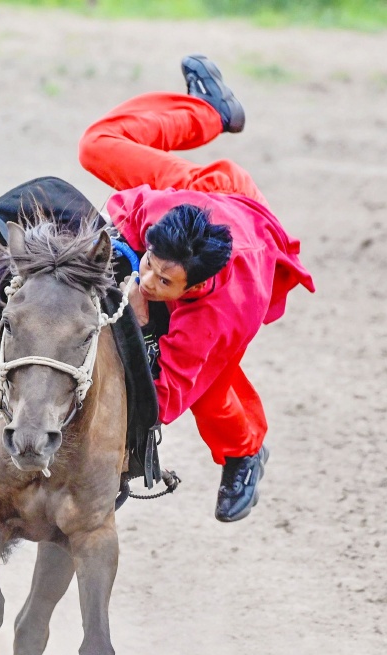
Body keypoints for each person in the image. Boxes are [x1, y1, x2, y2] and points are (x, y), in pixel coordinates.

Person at [78, 56, 315, 522]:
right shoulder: (161, 209)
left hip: (252, 251)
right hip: (207, 194)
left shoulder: (221, 311)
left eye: (163, 282)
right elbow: (123, 209)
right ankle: (210, 111)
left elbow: (163, 399)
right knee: (95, 146)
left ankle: (244, 451)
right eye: (149, 266)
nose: (147, 283)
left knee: (209, 380)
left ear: (196, 286)